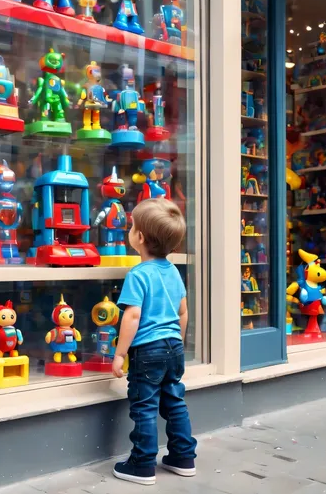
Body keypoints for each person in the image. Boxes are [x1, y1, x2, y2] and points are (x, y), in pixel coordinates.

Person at [111, 198, 197, 485]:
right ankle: (183, 457)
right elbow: (183, 312)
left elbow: (132, 317)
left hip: (147, 350)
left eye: (132, 225)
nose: (130, 230)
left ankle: (142, 464)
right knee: (175, 401)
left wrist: (120, 354)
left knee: (145, 405)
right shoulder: (173, 271)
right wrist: (178, 343)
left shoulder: (138, 275)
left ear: (140, 237)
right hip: (174, 347)